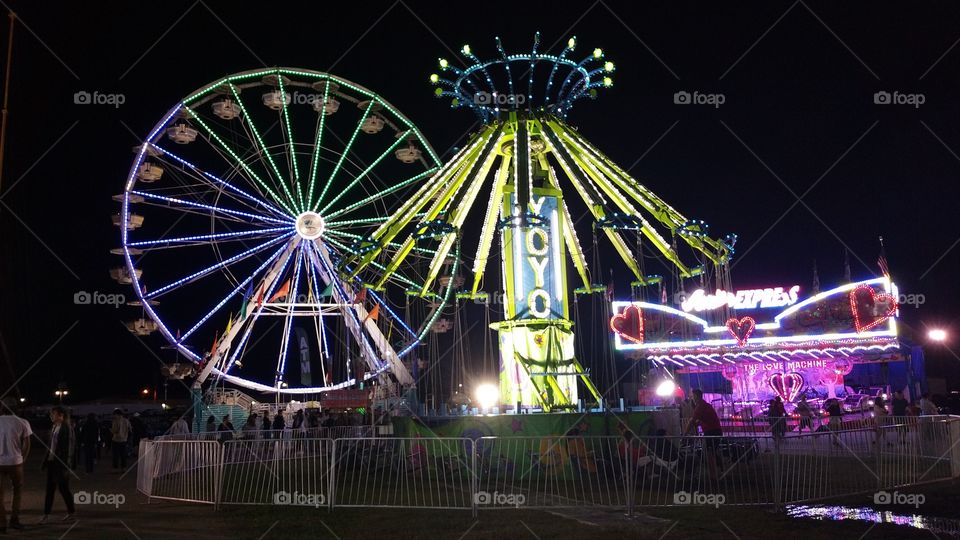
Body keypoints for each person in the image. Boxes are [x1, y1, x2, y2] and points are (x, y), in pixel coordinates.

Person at [0, 398, 31, 531]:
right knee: (17, 491)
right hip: (15, 462)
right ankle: (14, 520)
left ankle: (1, 523)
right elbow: (27, 443)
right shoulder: (23, 422)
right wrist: (23, 457)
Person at [40, 407, 75, 523]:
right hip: (52, 462)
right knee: (50, 489)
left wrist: (67, 465)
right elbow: (50, 446)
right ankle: (46, 514)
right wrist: (46, 461)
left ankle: (71, 512)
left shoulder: (67, 428)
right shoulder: (54, 427)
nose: (51, 416)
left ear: (61, 415)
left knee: (63, 488)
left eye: (53, 414)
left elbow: (70, 448)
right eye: (51, 414)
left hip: (61, 463)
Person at [684, 389, 722, 480]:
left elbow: (692, 421)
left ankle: (714, 476)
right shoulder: (706, 405)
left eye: (693, 396)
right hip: (714, 431)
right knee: (711, 452)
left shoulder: (700, 406)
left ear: (696, 396)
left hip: (712, 432)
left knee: (709, 454)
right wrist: (698, 423)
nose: (692, 399)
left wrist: (684, 434)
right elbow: (706, 419)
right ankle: (718, 470)